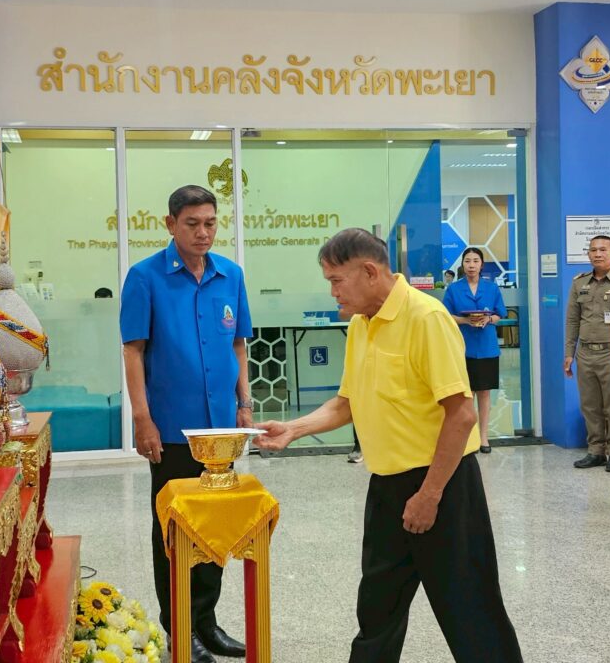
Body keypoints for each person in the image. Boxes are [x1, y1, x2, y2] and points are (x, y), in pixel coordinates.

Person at [255, 229, 522, 663]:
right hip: (387, 487)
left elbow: (462, 415)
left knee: (472, 611)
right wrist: (293, 429)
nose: (332, 292)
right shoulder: (361, 325)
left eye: (336, 280)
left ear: (369, 272)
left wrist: (430, 495)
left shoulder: (426, 318)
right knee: (377, 610)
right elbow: (346, 402)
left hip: (443, 486)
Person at [120, 185, 252, 663]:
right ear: (170, 224)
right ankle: (179, 628)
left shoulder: (230, 275)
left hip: (220, 431)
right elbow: (133, 351)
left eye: (210, 223)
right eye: (192, 223)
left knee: (215, 527)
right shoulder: (145, 278)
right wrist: (142, 419)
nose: (203, 232)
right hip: (172, 429)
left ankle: (206, 621)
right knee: (175, 531)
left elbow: (238, 345)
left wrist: (244, 404)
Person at [564, 235, 610, 472]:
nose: (597, 254)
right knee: (590, 405)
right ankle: (596, 450)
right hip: (585, 352)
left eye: (603, 250)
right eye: (593, 250)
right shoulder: (579, 283)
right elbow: (572, 320)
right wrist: (569, 353)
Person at [442, 247, 507, 452]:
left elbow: (500, 313)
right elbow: (445, 315)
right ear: (462, 264)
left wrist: (489, 319)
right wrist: (465, 321)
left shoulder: (491, 288)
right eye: (468, 261)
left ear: (481, 264)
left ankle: (483, 437)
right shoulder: (453, 289)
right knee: (466, 394)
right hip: (463, 347)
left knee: (484, 393)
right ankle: (468, 439)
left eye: (475, 261)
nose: (471, 265)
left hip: (487, 347)